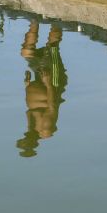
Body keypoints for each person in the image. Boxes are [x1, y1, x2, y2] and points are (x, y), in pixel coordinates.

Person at [16, 20, 67, 157]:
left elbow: (32, 107)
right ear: (33, 144)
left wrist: (28, 85)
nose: (25, 136)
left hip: (39, 79)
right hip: (54, 82)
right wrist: (48, 83)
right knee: (52, 47)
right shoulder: (46, 130)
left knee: (26, 52)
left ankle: (34, 19)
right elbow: (52, 106)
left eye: (23, 139)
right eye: (25, 140)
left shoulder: (31, 128)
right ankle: (57, 19)